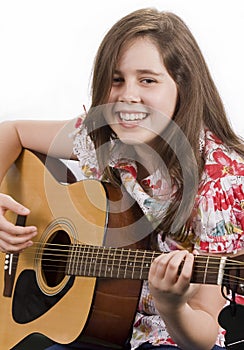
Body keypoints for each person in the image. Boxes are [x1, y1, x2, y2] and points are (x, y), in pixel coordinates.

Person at [0, 7, 243, 350]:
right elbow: (12, 131)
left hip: (171, 337)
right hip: (99, 322)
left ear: (183, 85)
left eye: (147, 80)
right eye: (117, 79)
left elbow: (204, 332)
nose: (128, 95)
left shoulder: (221, 180)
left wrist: (171, 306)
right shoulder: (103, 138)